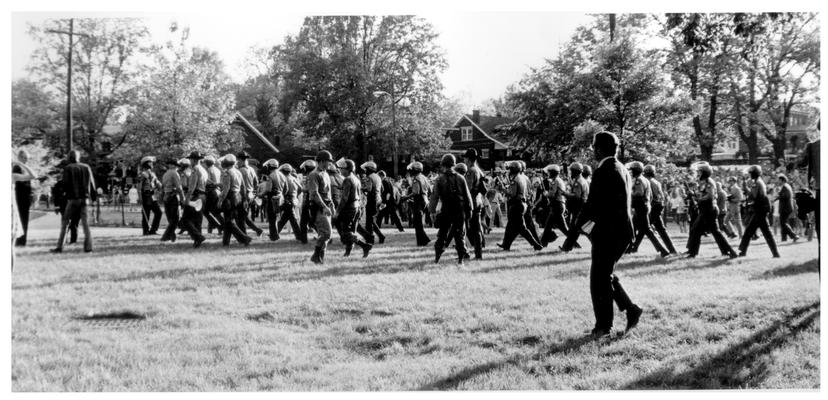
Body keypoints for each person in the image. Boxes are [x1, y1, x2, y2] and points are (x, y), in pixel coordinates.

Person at [561, 131, 642, 338]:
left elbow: (591, 206)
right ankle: (631, 309)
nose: (593, 151)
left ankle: (603, 327)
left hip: (609, 233)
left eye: (594, 147)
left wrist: (573, 235)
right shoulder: (621, 168)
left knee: (599, 280)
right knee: (605, 275)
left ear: (599, 148)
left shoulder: (604, 170)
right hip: (620, 232)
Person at [685, 162, 738, 259]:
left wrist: (698, 197)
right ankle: (727, 252)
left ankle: (693, 253)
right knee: (710, 231)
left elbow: (709, 196)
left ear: (705, 172)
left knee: (699, 230)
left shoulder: (709, 182)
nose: (698, 173)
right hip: (706, 210)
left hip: (709, 210)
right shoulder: (704, 182)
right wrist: (693, 194)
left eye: (700, 172)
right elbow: (702, 194)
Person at [429, 154, 474, 264]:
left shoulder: (439, 179)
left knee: (442, 235)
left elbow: (434, 197)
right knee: (460, 236)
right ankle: (460, 260)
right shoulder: (460, 178)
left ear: (443, 165)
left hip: (447, 209)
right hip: (460, 210)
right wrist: (470, 210)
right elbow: (467, 196)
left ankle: (437, 258)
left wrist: (432, 211)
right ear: (453, 165)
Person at [50, 150, 96, 253]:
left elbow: (65, 185)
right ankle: (88, 247)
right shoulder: (86, 167)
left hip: (73, 199)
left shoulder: (68, 168)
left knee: (65, 223)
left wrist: (63, 196)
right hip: (85, 199)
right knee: (85, 224)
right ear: (78, 157)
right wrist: (93, 198)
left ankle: (60, 247)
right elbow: (92, 185)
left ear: (69, 157)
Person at [497, 161, 543, 251]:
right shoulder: (521, 177)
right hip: (521, 204)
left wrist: (504, 189)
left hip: (517, 204)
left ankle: (536, 245)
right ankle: (506, 245)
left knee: (522, 228)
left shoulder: (515, 179)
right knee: (511, 227)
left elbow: (513, 194)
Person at [627, 161, 670, 257]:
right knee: (633, 228)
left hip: (641, 207)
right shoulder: (644, 179)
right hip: (644, 206)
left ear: (636, 170)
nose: (630, 172)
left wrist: (628, 194)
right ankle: (629, 249)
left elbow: (639, 193)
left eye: (632, 170)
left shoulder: (639, 180)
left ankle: (663, 250)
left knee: (647, 230)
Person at [738, 165, 780, 257]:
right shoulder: (758, 181)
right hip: (761, 209)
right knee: (764, 232)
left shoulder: (756, 183)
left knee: (750, 231)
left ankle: (742, 251)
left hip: (760, 210)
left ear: (753, 174)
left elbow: (753, 196)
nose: (749, 175)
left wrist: (745, 188)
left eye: (750, 173)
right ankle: (775, 253)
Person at [335, 158, 372, 257]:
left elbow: (344, 198)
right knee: (352, 231)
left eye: (342, 168)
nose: (340, 170)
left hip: (349, 209)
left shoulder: (347, 179)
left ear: (347, 169)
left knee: (346, 232)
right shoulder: (356, 178)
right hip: (356, 207)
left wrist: (337, 211)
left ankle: (365, 246)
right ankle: (347, 252)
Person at [218, 154, 252, 246]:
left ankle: (245, 238)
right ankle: (225, 242)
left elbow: (226, 190)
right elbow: (243, 187)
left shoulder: (227, 173)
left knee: (229, 221)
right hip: (238, 197)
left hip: (230, 197)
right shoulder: (238, 172)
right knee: (229, 220)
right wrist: (244, 199)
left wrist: (220, 200)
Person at [643, 165, 678, 254]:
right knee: (660, 229)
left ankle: (664, 250)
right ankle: (672, 250)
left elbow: (649, 197)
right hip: (658, 207)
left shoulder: (646, 181)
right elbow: (662, 196)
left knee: (645, 228)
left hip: (651, 207)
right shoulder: (656, 182)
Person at [307, 151, 335, 264]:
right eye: (328, 161)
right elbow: (314, 193)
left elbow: (328, 192)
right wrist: (324, 206)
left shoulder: (326, 174)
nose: (330, 164)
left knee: (325, 234)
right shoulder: (314, 174)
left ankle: (320, 258)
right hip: (318, 207)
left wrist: (331, 205)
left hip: (326, 206)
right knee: (327, 233)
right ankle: (315, 255)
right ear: (322, 161)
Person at [463, 149, 487, 259]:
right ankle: (478, 251)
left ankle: (477, 254)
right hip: (478, 201)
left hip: (471, 202)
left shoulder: (470, 171)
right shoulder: (478, 170)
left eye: (465, 158)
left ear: (468, 159)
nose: (464, 159)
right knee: (475, 228)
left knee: (470, 229)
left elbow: (467, 188)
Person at [181, 151, 208, 248]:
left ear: (193, 160)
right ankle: (197, 241)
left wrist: (187, 199)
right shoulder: (204, 170)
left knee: (185, 219)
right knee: (198, 220)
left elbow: (191, 187)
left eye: (190, 159)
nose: (190, 161)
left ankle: (198, 237)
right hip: (203, 196)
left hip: (195, 196)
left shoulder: (195, 169)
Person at [540, 164, 570, 248]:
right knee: (548, 227)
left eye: (549, 172)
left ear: (552, 173)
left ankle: (573, 243)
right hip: (558, 205)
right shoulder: (558, 180)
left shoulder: (555, 181)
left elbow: (552, 194)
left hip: (557, 205)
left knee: (563, 228)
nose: (548, 174)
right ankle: (543, 244)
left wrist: (546, 194)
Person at [357, 161, 385, 244]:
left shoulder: (369, 177)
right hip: (378, 200)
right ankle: (381, 236)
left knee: (369, 222)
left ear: (369, 169)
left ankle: (370, 239)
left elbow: (368, 189)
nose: (365, 170)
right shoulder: (378, 177)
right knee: (372, 221)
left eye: (366, 169)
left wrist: (361, 188)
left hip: (372, 200)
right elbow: (382, 189)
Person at [236, 151, 264, 237]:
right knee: (244, 216)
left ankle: (244, 236)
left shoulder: (240, 170)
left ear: (240, 160)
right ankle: (257, 230)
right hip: (250, 195)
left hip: (243, 195)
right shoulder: (252, 169)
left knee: (240, 218)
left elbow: (240, 186)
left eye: (238, 160)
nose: (237, 161)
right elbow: (256, 183)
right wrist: (254, 194)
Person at [798, 135, 819, 240]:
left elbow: (801, 163)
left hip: (817, 189)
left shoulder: (812, 146)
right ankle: (810, 236)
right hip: (815, 189)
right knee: (813, 218)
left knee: (814, 218)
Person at [276, 163, 305, 242]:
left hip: (287, 200)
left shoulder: (283, 178)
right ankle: (275, 233)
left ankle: (299, 236)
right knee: (285, 219)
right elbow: (300, 189)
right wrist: (295, 195)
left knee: (292, 220)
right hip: (292, 200)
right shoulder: (294, 178)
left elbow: (282, 190)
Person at [13, 149, 34, 246]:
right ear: (20, 157)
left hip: (25, 197)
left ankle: (22, 240)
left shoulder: (24, 169)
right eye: (25, 158)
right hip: (20, 198)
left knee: (24, 219)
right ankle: (20, 241)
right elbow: (21, 184)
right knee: (21, 219)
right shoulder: (17, 168)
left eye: (27, 158)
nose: (26, 160)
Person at [160, 159, 184, 243]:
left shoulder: (165, 174)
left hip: (166, 196)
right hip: (173, 196)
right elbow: (179, 187)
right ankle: (165, 236)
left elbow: (162, 187)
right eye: (176, 166)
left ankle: (171, 236)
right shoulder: (174, 173)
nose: (177, 168)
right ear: (173, 165)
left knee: (171, 218)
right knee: (175, 219)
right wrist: (182, 198)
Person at [137, 156, 162, 235]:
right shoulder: (143, 174)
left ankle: (153, 230)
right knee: (146, 214)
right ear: (146, 163)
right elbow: (139, 187)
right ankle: (146, 231)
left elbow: (158, 184)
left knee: (159, 212)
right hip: (145, 195)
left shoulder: (153, 174)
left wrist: (162, 186)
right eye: (150, 162)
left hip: (153, 196)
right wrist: (140, 197)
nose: (152, 164)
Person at [262, 159, 286, 241]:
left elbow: (268, 189)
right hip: (280, 197)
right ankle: (275, 234)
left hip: (272, 198)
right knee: (275, 217)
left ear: (270, 166)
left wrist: (260, 194)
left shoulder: (271, 175)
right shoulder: (282, 175)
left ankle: (274, 236)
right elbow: (286, 189)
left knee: (271, 218)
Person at [202, 155, 225, 235]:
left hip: (211, 192)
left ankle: (221, 226)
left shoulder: (208, 170)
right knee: (214, 212)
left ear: (207, 162)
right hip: (217, 191)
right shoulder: (217, 169)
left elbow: (207, 182)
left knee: (207, 211)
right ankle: (213, 228)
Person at [776, 174, 799, 242]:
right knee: (783, 223)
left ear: (782, 180)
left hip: (785, 208)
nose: (778, 181)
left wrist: (779, 194)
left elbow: (786, 196)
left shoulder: (785, 187)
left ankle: (794, 235)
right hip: (786, 207)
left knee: (783, 223)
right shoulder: (786, 186)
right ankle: (784, 238)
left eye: (779, 180)